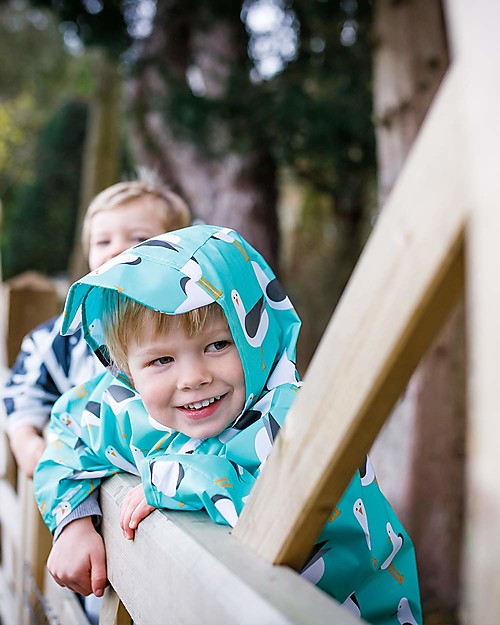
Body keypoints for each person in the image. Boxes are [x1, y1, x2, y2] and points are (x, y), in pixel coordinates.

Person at [34, 224, 422, 625]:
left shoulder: (295, 421)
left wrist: (178, 477)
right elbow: (68, 430)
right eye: (161, 361)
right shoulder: (129, 409)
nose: (192, 378)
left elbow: (290, 510)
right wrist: (72, 520)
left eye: (217, 345)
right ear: (126, 371)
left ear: (256, 334)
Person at [3, 172, 191, 478]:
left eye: (139, 238)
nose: (117, 249)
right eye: (103, 241)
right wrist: (25, 439)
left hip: (169, 470)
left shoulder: (191, 321)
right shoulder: (68, 333)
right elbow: (24, 388)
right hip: (88, 471)